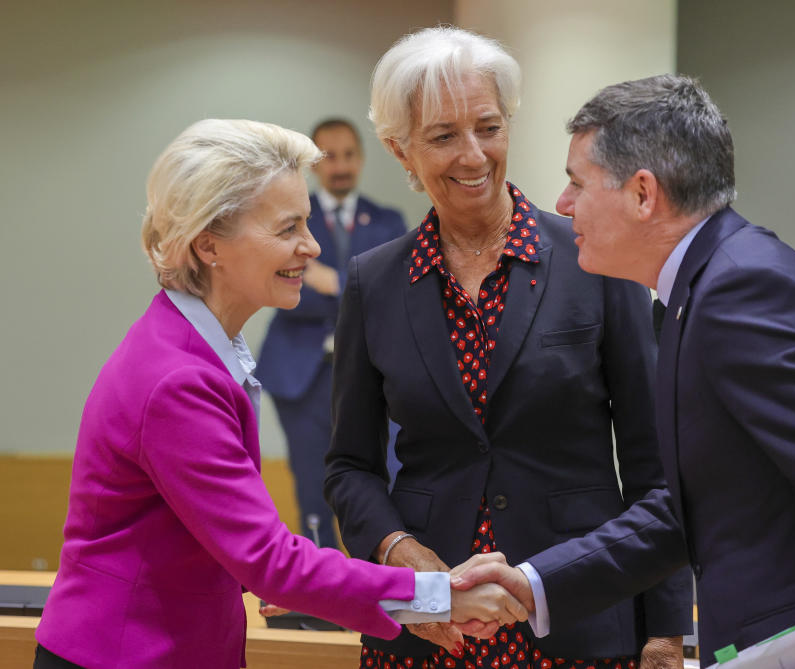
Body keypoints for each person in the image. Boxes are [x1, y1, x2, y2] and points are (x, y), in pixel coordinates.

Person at [453, 75, 795, 667]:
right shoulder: (703, 291)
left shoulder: (741, 292)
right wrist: (534, 583)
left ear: (643, 194)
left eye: (577, 183)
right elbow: (687, 507)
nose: (562, 204)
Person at [33, 119, 526, 669]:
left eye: (308, 224)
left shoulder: (188, 345)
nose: (311, 247)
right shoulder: (178, 380)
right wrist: (439, 597)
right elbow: (268, 558)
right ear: (208, 244)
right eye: (288, 228)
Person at [324, 27, 692, 669]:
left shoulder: (595, 259)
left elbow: (652, 461)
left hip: (580, 616)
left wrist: (665, 631)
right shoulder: (374, 282)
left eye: (488, 127)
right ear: (400, 150)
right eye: (443, 136)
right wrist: (399, 552)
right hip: (431, 622)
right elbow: (349, 466)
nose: (473, 154)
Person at [257, 117, 407, 546]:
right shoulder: (288, 222)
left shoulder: (387, 222)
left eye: (348, 155)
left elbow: (390, 296)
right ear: (314, 166)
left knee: (388, 480)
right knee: (312, 486)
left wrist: (334, 282)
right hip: (303, 376)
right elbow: (284, 292)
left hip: (370, 375)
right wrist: (349, 288)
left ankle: (380, 590)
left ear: (360, 159)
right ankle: (317, 597)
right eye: (329, 157)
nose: (340, 166)